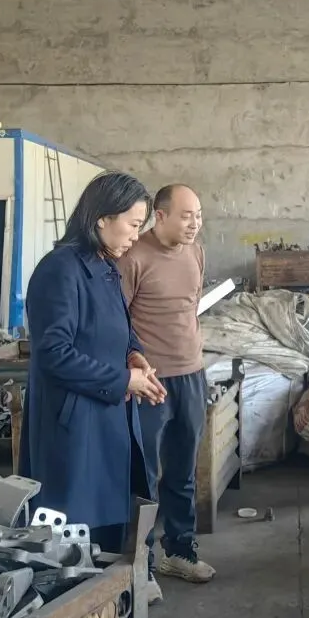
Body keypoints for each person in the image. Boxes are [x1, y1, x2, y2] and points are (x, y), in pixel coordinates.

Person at [19, 170, 168, 603]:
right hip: (75, 426)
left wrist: (133, 354)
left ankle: (109, 607)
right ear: (102, 218)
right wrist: (123, 380)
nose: (136, 236)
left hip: (107, 418)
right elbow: (54, 353)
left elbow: (116, 326)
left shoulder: (104, 267)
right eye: (133, 224)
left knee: (110, 525)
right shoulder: (60, 270)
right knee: (74, 532)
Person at [119, 184, 216, 588]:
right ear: (160, 216)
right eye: (186, 215)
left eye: (198, 215)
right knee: (143, 475)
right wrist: (132, 369)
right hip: (149, 382)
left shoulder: (196, 253)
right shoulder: (133, 257)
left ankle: (180, 552)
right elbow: (118, 322)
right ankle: (141, 567)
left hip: (191, 376)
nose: (195, 224)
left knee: (182, 470)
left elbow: (189, 310)